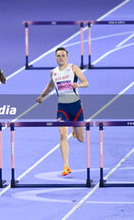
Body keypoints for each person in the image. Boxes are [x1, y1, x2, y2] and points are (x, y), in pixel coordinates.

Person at [36, 47, 89, 177]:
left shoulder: (73, 68)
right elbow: (50, 86)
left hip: (76, 107)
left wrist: (78, 85)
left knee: (81, 139)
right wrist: (42, 96)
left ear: (67, 57)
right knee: (62, 135)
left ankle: (74, 129)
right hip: (62, 108)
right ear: (55, 58)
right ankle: (66, 166)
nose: (60, 57)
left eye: (63, 55)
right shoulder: (53, 72)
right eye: (58, 55)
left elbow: (86, 82)